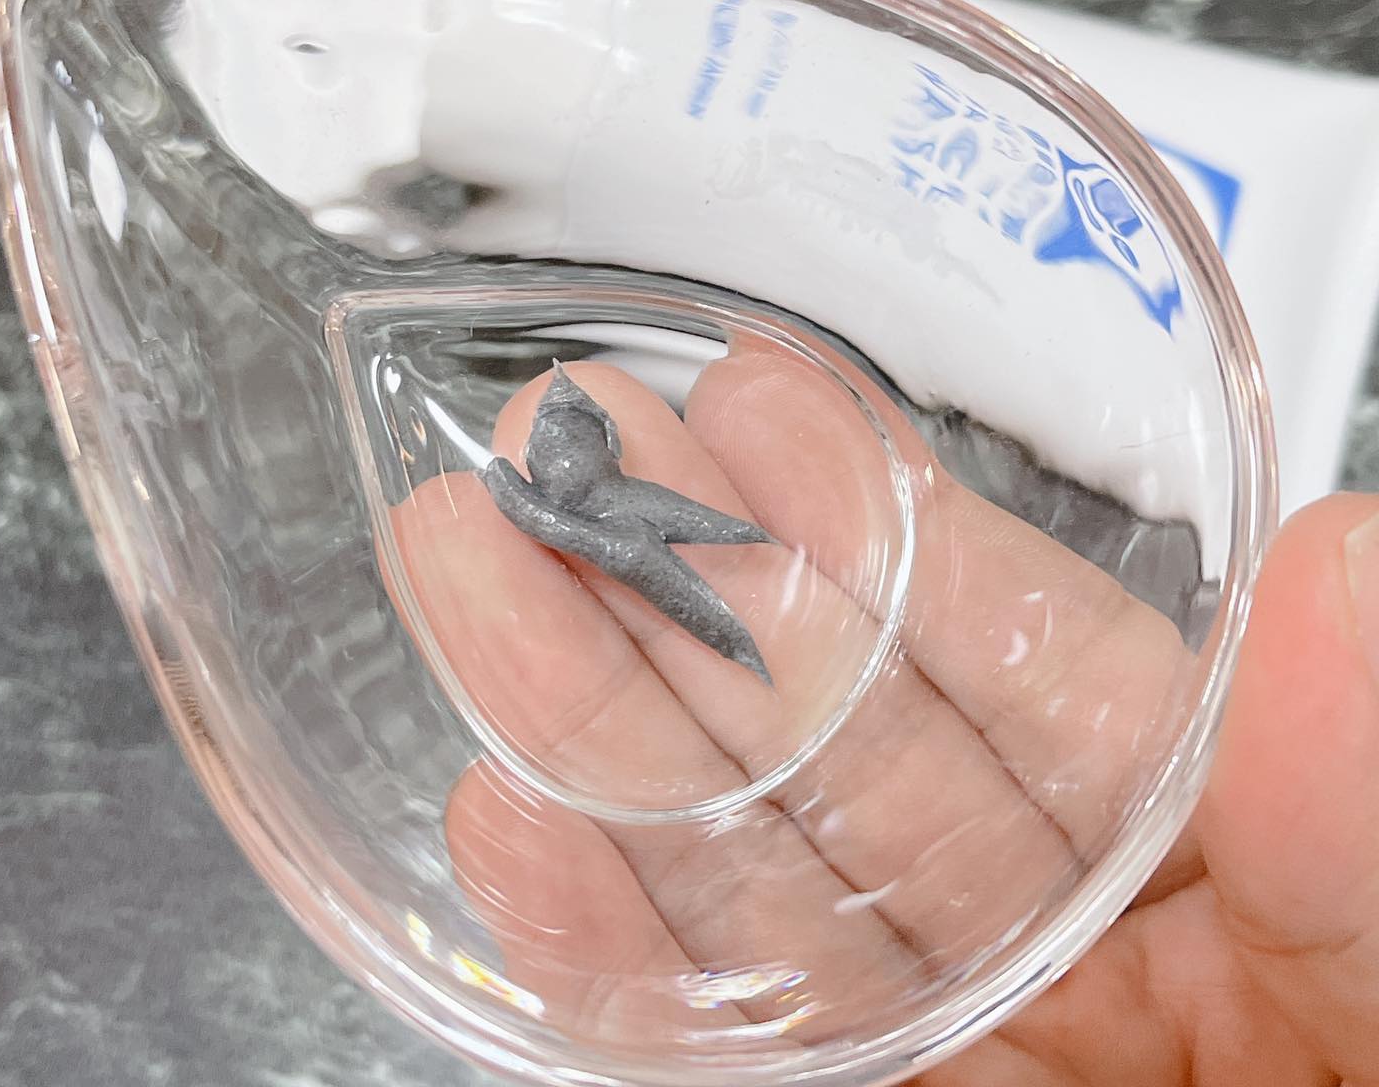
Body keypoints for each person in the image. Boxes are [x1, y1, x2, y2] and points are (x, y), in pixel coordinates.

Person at [390, 350, 1379, 1085]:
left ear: (595, 450)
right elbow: (583, 521)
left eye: (577, 437)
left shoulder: (583, 499)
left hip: (1084, 938)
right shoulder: (553, 503)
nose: (568, 451)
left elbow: (664, 524)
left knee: (720, 590)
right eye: (564, 443)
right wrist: (554, 512)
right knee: (708, 602)